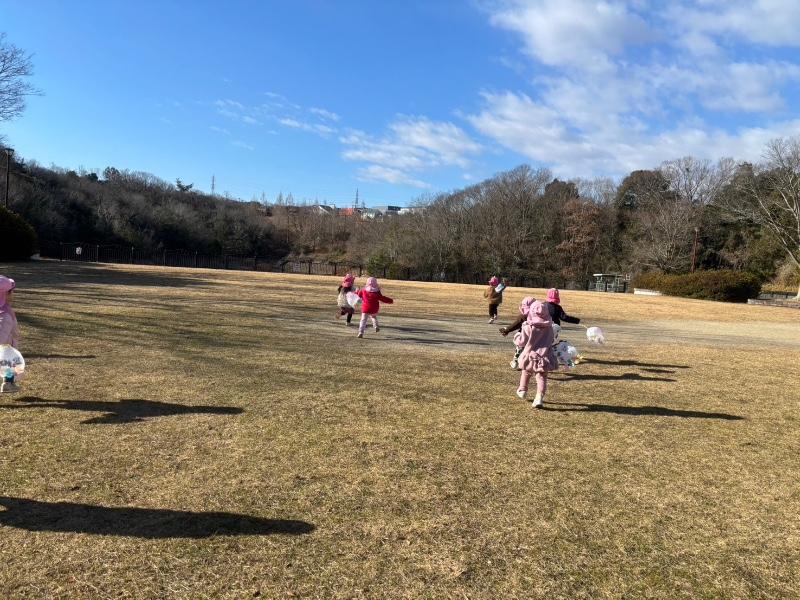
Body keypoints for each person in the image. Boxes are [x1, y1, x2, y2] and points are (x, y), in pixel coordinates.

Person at [514, 301, 557, 408]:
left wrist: (517, 336)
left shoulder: (528, 326)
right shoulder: (550, 327)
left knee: (526, 372)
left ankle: (522, 390)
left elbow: (522, 342)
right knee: (541, 377)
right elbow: (551, 340)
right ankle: (539, 398)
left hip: (530, 355)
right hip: (544, 355)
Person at [499, 296, 535, 370]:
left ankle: (515, 361)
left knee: (520, 348)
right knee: (530, 351)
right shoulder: (539, 316)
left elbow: (515, 325)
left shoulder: (523, 317)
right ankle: (528, 364)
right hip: (535, 337)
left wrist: (506, 330)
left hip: (524, 336)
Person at [0, 276, 20, 348]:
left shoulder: (6, 311)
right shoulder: (4, 316)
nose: (13, 293)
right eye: (11, 291)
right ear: (5, 294)